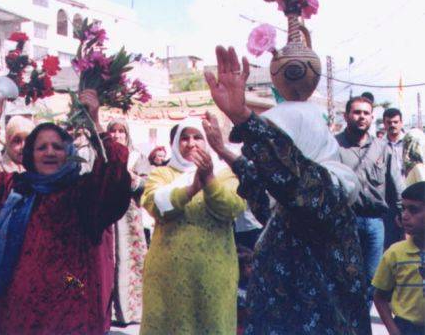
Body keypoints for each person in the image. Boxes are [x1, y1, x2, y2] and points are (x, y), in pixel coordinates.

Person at [205, 46, 371, 333]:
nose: (264, 157)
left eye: (275, 148)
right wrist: (224, 152)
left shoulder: (329, 190)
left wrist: (245, 118)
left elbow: (292, 180)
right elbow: (264, 187)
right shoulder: (286, 194)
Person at [0, 90, 131, 334]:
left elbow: (114, 174)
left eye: (57, 147)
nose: (49, 152)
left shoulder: (83, 193)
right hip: (20, 309)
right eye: (41, 147)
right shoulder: (14, 189)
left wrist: (95, 122)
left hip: (73, 300)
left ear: (68, 153)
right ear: (30, 155)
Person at [140, 116, 245, 335]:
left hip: (213, 274)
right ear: (175, 142)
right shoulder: (162, 174)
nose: (191, 143)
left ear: (208, 142)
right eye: (184, 138)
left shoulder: (225, 174)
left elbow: (231, 208)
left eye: (198, 137)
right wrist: (191, 189)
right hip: (166, 276)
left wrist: (209, 180)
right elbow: (154, 205)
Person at [336, 96, 390, 300]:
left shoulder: (382, 147)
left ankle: (363, 317)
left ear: (372, 117)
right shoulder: (334, 145)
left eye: (366, 113)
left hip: (376, 223)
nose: (362, 117)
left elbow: (395, 185)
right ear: (346, 116)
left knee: (372, 279)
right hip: (346, 221)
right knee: (346, 276)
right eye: (357, 112)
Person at [106, 118, 150, 326]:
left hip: (129, 216)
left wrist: (130, 177)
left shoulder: (136, 157)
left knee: (129, 259)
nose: (116, 135)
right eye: (112, 131)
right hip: (106, 216)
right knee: (108, 259)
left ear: (127, 134)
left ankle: (130, 311)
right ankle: (107, 311)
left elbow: (146, 184)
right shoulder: (102, 156)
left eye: (120, 131)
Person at [372, 181, 425, 335]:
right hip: (406, 328)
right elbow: (380, 297)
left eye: (413, 210)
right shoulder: (395, 253)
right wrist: (394, 331)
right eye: (403, 209)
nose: (405, 216)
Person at [382, 108, 406, 248]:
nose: (393, 125)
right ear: (384, 124)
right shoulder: (379, 146)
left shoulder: (411, 142)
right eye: (389, 122)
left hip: (414, 196)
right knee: (392, 243)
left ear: (401, 123)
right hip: (390, 201)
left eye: (396, 122)